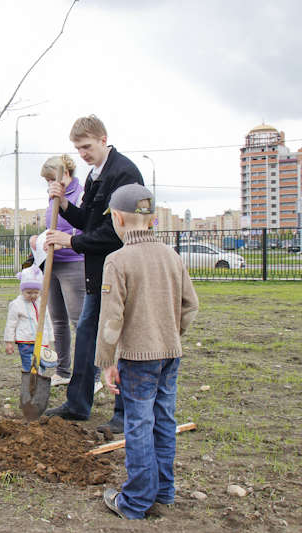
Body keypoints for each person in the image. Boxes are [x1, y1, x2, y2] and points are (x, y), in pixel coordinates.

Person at [95, 184, 199, 520]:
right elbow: (190, 305)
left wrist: (106, 361)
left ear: (119, 219)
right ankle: (164, 491)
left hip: (138, 359)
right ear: (152, 218)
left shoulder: (118, 260)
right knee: (164, 420)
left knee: (138, 424)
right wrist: (171, 334)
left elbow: (112, 319)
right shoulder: (172, 255)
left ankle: (136, 500)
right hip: (171, 355)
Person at [44, 115, 144, 434]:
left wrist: (70, 241)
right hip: (97, 276)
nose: (82, 153)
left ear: (103, 139)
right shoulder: (94, 176)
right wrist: (61, 202)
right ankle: (77, 404)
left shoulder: (123, 173)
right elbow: (87, 220)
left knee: (120, 340)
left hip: (122, 272)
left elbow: (116, 232)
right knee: (87, 336)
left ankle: (124, 413)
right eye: (77, 148)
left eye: (86, 146)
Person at [36, 154, 86, 388]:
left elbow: (86, 229)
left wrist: (66, 240)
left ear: (65, 172)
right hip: (52, 263)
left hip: (74, 262)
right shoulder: (53, 194)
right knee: (58, 321)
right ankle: (63, 370)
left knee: (79, 321)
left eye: (51, 178)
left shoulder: (81, 193)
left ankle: (90, 376)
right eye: (46, 180)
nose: (49, 184)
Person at [4, 265, 55, 373]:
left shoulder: (42, 303)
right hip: (26, 342)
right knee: (30, 365)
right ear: (22, 290)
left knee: (42, 364)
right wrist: (9, 341)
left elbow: (48, 322)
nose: (33, 296)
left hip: (42, 342)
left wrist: (49, 340)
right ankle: (34, 382)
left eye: (36, 292)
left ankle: (38, 383)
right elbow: (11, 323)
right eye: (29, 293)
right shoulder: (16, 304)